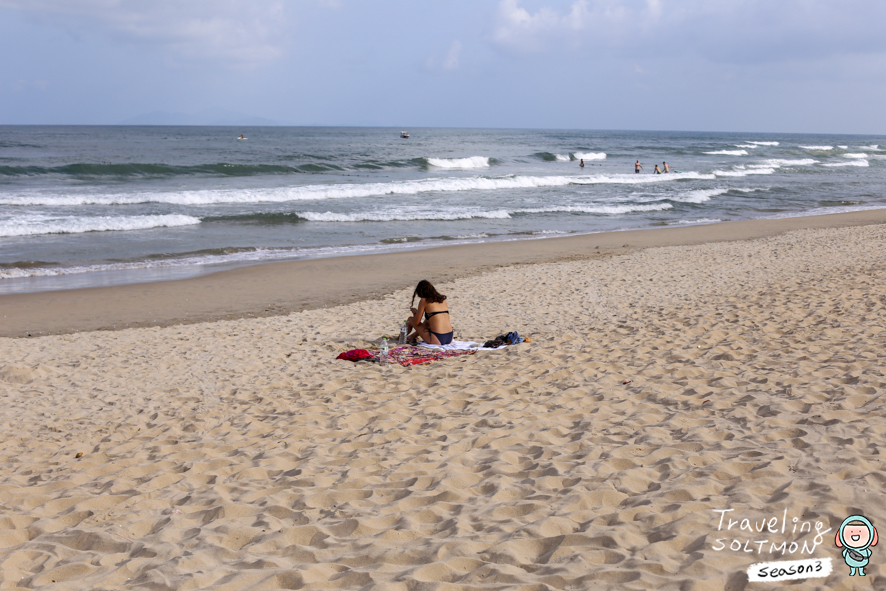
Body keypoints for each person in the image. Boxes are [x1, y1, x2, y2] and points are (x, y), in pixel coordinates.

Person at [406, 279, 453, 345]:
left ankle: (400, 338)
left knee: (410, 319)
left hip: (437, 339)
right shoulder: (442, 299)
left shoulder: (424, 300)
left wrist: (415, 312)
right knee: (427, 321)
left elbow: (416, 322)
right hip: (449, 337)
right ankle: (412, 336)